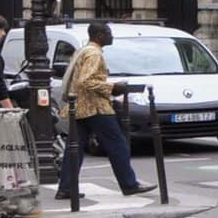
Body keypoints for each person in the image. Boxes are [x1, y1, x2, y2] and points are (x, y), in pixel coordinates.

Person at [56, 22, 153, 198]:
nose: (111, 36)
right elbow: (85, 80)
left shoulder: (83, 50)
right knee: (118, 144)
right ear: (100, 35)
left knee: (74, 148)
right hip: (95, 106)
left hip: (78, 106)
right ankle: (129, 184)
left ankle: (66, 188)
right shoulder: (94, 54)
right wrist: (113, 88)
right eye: (108, 32)